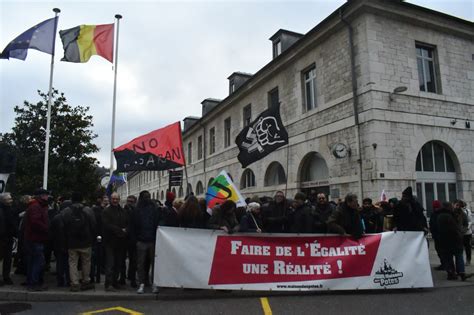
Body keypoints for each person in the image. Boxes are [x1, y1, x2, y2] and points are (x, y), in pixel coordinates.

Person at [62, 192, 96, 291]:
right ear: (82, 200)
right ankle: (86, 281)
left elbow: (63, 225)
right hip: (86, 241)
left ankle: (75, 283)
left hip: (72, 241)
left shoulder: (66, 211)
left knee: (73, 263)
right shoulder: (88, 210)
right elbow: (93, 225)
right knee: (86, 262)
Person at [131, 191, 160, 294]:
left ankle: (143, 284)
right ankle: (151, 284)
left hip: (144, 240)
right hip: (150, 240)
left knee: (141, 264)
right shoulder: (154, 208)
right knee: (151, 264)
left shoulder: (137, 209)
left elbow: (133, 226)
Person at [437, 202, 471, 281]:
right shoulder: (450, 216)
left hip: (444, 240)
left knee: (448, 257)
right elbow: (454, 228)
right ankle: (461, 273)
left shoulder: (439, 216)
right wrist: (460, 234)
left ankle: (451, 273)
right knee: (459, 256)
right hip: (454, 239)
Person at [102, 192, 129, 291]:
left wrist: (126, 230)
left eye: (117, 199)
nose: (115, 200)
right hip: (110, 241)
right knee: (110, 263)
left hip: (120, 241)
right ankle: (108, 284)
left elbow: (127, 223)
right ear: (110, 199)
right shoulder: (106, 211)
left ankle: (115, 282)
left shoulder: (122, 211)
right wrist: (120, 230)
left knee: (118, 263)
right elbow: (107, 225)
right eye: (113, 199)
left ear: (119, 199)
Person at [24, 189, 50, 291]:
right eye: (46, 195)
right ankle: (34, 283)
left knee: (33, 261)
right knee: (38, 262)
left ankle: (31, 282)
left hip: (33, 238)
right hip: (36, 238)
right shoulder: (36, 207)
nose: (47, 197)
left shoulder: (36, 206)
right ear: (41, 196)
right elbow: (36, 222)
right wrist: (46, 228)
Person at [0, 193, 17, 285]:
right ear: (3, 200)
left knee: (8, 259)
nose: (11, 200)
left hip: (8, 238)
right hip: (2, 238)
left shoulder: (9, 210)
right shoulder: (3, 210)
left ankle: (6, 277)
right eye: (9, 199)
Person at [90, 195, 108, 284]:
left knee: (97, 256)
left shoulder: (93, 211)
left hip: (97, 237)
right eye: (104, 200)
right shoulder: (101, 211)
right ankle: (99, 272)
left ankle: (95, 274)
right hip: (99, 237)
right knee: (99, 255)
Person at [121, 195, 137, 288]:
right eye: (128, 201)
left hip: (133, 239)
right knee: (122, 259)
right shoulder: (123, 211)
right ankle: (122, 278)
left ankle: (132, 277)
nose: (129, 203)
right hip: (123, 238)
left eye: (131, 201)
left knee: (133, 260)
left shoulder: (136, 212)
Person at [453, 200, 471, 266]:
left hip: (466, 233)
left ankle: (468, 259)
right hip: (460, 233)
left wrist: (464, 230)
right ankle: (461, 261)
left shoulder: (466, 212)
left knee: (467, 247)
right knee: (460, 247)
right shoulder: (455, 212)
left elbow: (469, 222)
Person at [429, 200, 444, 270]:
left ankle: (445, 264)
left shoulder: (439, 214)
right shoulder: (434, 213)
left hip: (440, 235)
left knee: (442, 250)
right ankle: (443, 263)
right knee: (439, 250)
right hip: (437, 235)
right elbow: (432, 224)